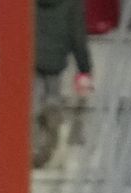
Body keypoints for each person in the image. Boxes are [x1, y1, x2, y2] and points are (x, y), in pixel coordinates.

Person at [34, 0, 92, 168]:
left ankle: (37, 147)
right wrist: (84, 67)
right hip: (57, 57)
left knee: (33, 102)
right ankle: (52, 109)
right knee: (54, 93)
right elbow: (77, 35)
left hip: (30, 56)